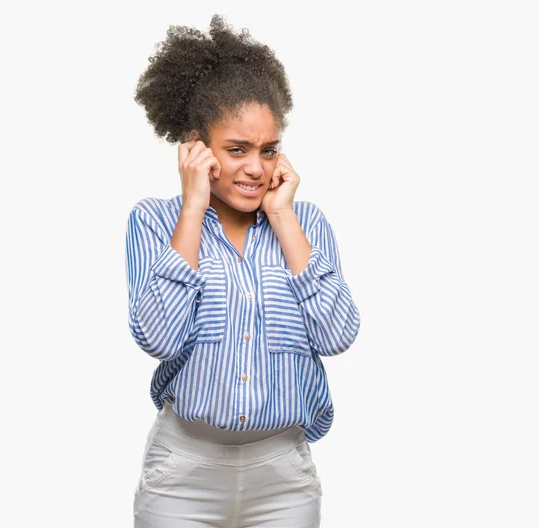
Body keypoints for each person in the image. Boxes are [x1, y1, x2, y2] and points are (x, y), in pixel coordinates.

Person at [126, 15, 361, 527]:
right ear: (196, 146)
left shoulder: (307, 224)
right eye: (237, 150)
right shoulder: (153, 221)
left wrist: (281, 216)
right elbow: (158, 339)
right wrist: (192, 209)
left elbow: (339, 334)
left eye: (268, 149)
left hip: (283, 475)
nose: (256, 167)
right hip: (182, 472)